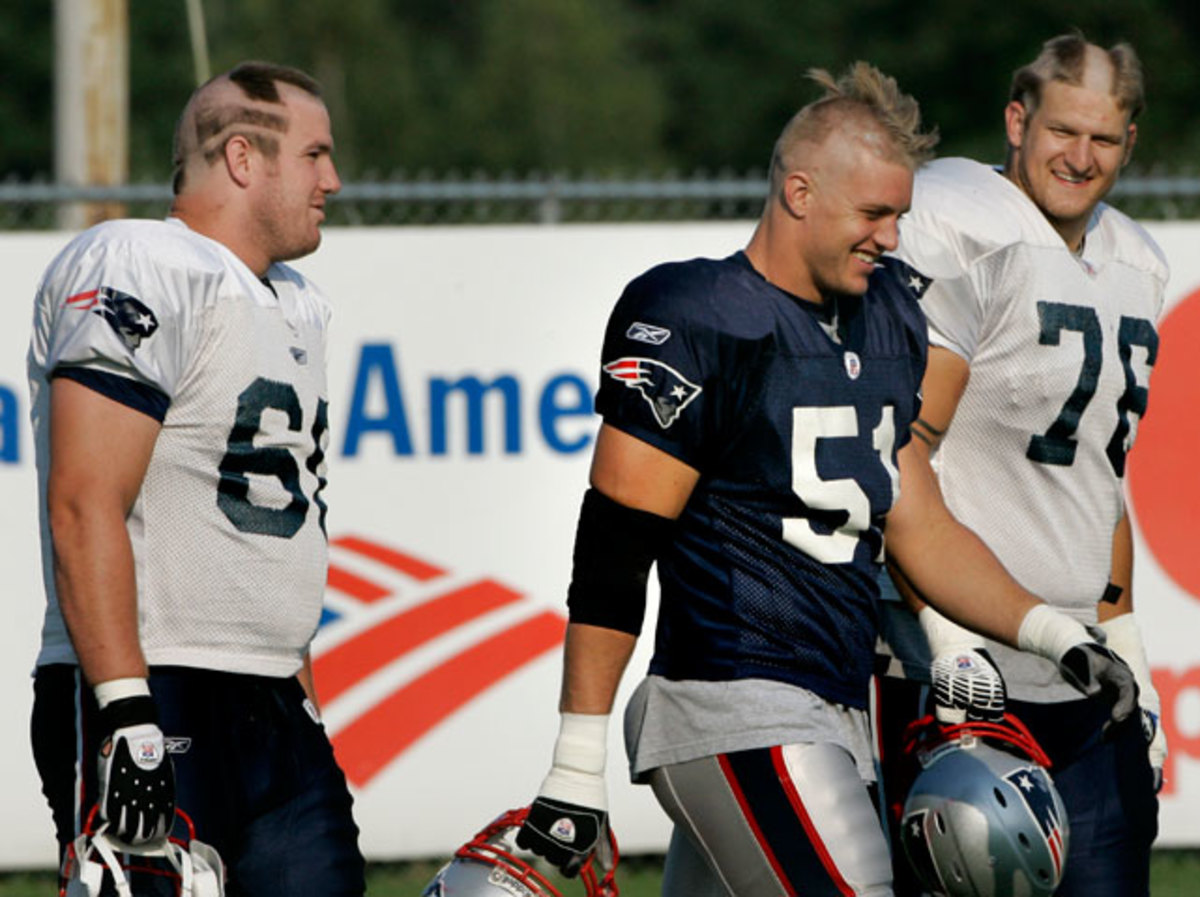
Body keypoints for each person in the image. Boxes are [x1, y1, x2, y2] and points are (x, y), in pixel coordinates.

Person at [512, 62, 1136, 897]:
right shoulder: (697, 314)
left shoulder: (889, 318)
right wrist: (574, 767)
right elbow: (615, 552)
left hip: (834, 708)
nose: (890, 238)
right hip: (733, 699)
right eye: (873, 214)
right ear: (799, 192)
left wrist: (1055, 635)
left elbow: (923, 529)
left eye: (901, 216)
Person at [27, 61, 366, 894]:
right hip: (157, 683)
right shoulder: (144, 263)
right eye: (315, 154)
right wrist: (127, 707)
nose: (333, 177)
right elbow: (83, 501)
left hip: (273, 703)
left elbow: (275, 529)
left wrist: (302, 690)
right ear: (244, 158)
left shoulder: (297, 303)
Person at [875, 33, 1168, 897]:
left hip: (1082, 672)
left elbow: (1101, 479)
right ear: (1017, 119)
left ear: (1130, 144)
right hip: (956, 669)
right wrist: (947, 633)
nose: (1080, 157)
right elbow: (901, 455)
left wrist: (1126, 641)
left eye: (1104, 138)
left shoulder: (1136, 262)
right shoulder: (963, 223)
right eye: (1061, 130)